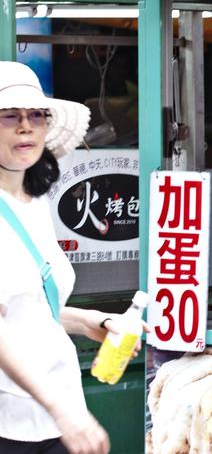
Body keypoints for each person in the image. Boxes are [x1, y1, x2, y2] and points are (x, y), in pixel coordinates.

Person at [0, 61, 146, 454]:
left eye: (35, 115)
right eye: (9, 116)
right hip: (11, 422)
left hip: (56, 414)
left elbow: (27, 308)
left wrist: (92, 321)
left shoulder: (33, 203)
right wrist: (62, 412)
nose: (25, 126)